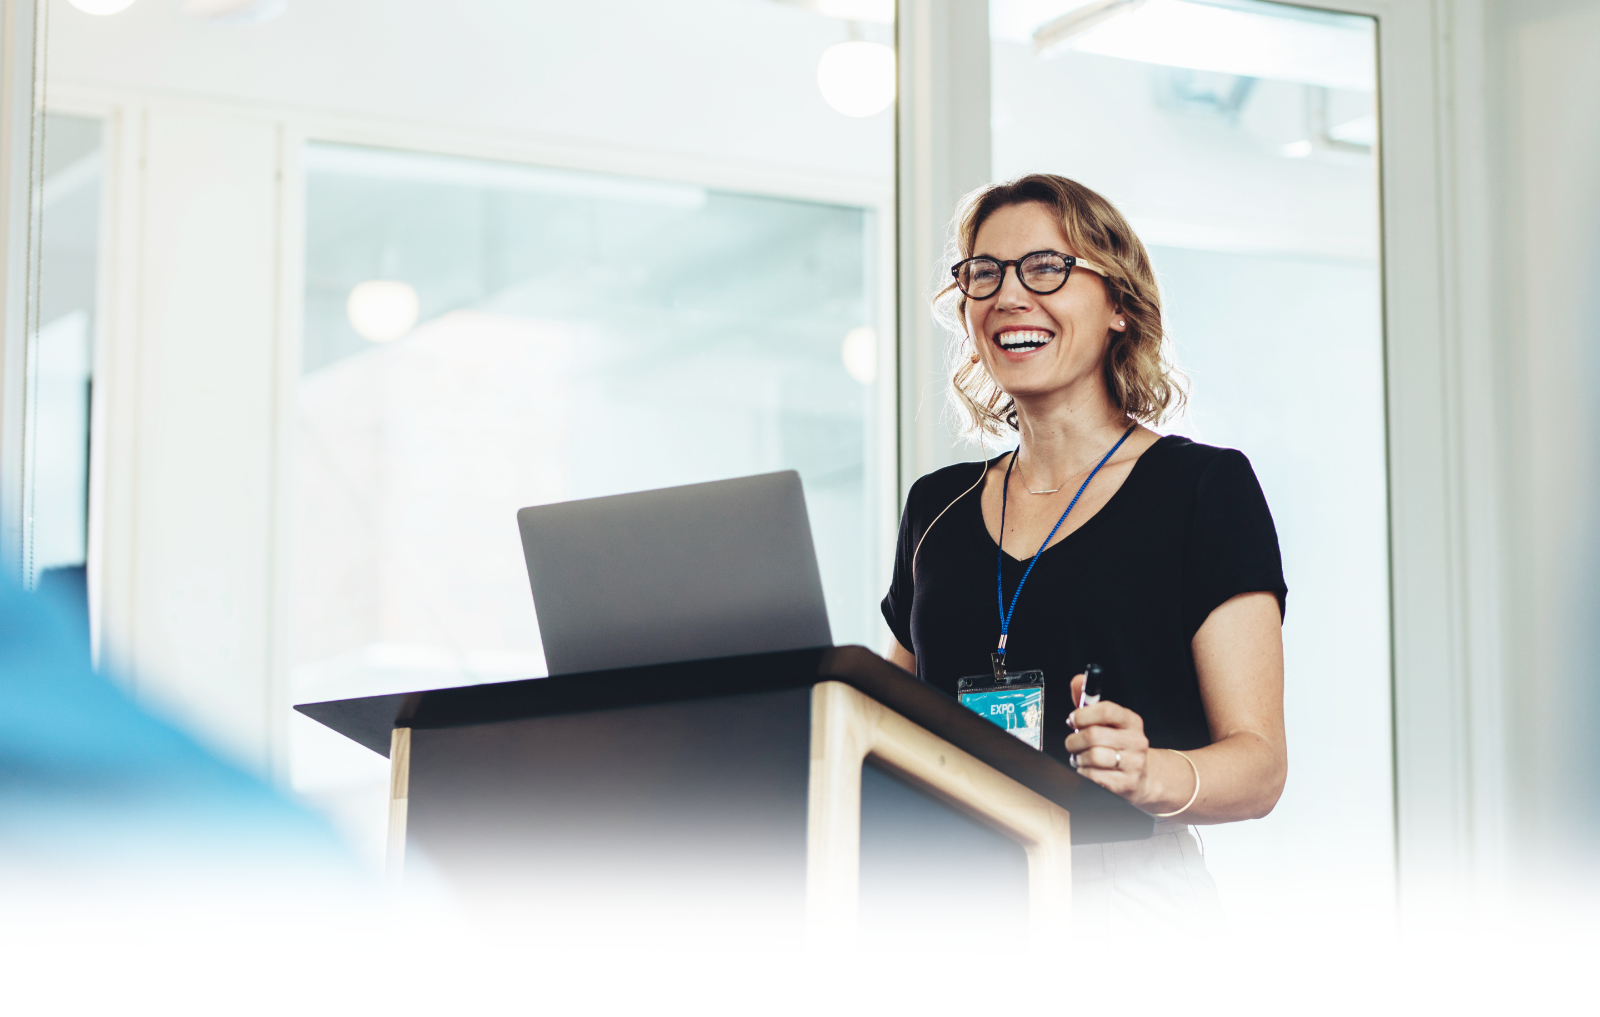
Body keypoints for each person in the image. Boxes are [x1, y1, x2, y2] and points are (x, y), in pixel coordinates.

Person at [881, 173, 1287, 925]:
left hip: (1123, 904)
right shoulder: (935, 508)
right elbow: (887, 732)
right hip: (949, 904)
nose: (1008, 296)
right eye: (984, 273)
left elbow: (1260, 767)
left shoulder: (1202, 489)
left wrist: (1151, 771)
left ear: (1121, 307)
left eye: (1046, 268)